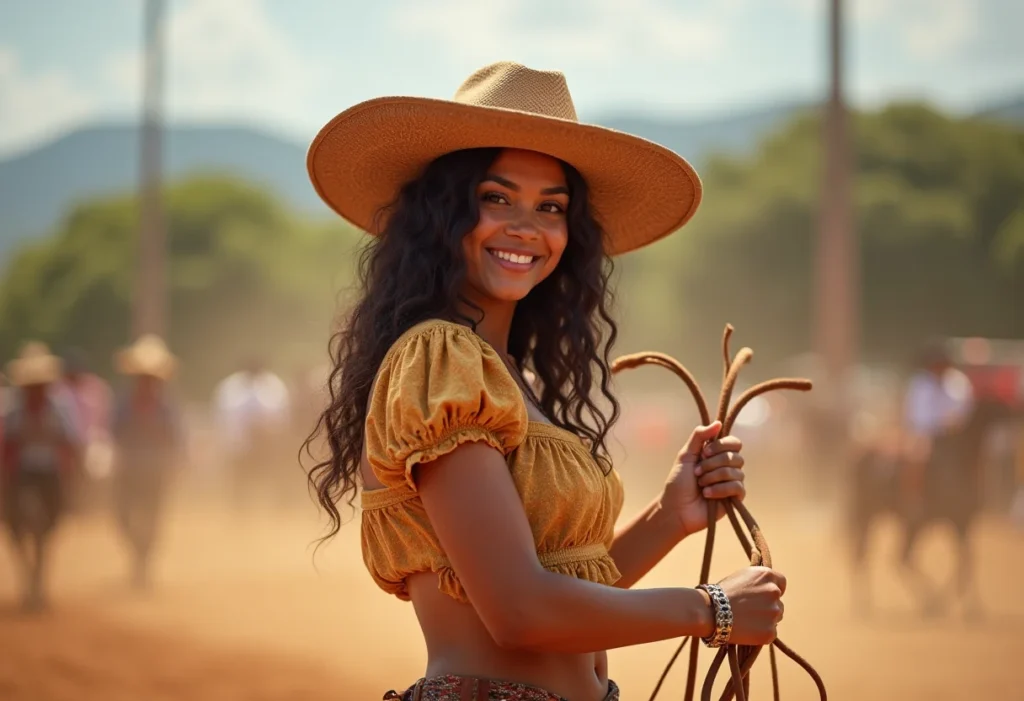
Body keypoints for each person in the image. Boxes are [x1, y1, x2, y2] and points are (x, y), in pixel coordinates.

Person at [304, 62, 786, 701]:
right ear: (441, 216)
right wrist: (712, 608)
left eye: (550, 207)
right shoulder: (441, 361)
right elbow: (519, 612)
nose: (526, 226)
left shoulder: (510, 378)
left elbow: (563, 592)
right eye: (495, 198)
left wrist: (670, 514)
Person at [1, 342, 81, 611]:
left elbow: (70, 443)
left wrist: (71, 478)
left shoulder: (58, 408)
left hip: (49, 474)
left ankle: (37, 580)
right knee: (17, 528)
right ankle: (30, 577)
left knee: (46, 532)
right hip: (23, 474)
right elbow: (8, 447)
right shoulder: (13, 409)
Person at [110, 335, 185, 589]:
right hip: (129, 468)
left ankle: (143, 564)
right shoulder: (124, 403)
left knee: (153, 520)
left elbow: (175, 438)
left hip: (155, 471)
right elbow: (114, 431)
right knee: (123, 518)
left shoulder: (165, 405)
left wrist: (174, 465)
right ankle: (139, 556)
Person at [212, 357, 291, 510]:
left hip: (266, 447)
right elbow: (224, 420)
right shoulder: (231, 388)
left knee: (267, 484)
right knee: (240, 486)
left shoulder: (273, 386)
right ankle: (241, 515)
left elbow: (282, 418)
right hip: (240, 448)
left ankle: (264, 513)